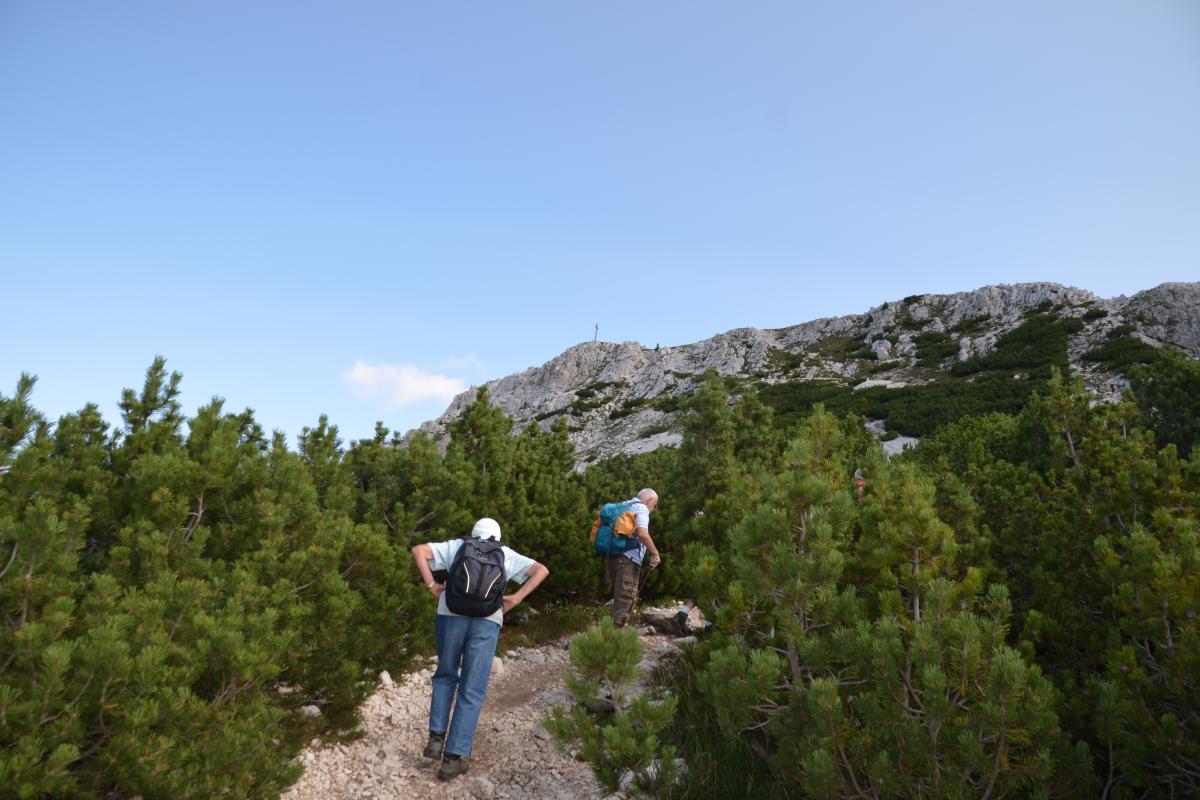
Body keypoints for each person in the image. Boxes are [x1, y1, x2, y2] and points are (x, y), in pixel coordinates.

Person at [410, 517, 549, 781]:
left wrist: (431, 587)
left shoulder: (457, 547)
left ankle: (436, 740)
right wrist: (516, 598)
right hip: (487, 622)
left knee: (445, 675)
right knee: (472, 687)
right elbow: (541, 570)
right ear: (497, 536)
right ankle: (453, 759)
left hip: (450, 615)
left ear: (473, 534)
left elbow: (419, 551)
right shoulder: (505, 554)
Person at [606, 488, 661, 628]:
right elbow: (642, 533)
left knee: (618, 597)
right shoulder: (641, 508)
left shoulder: (626, 504)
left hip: (614, 557)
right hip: (628, 561)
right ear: (650, 501)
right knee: (626, 598)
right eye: (655, 505)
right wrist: (655, 553)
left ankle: (607, 632)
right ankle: (615, 640)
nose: (654, 508)